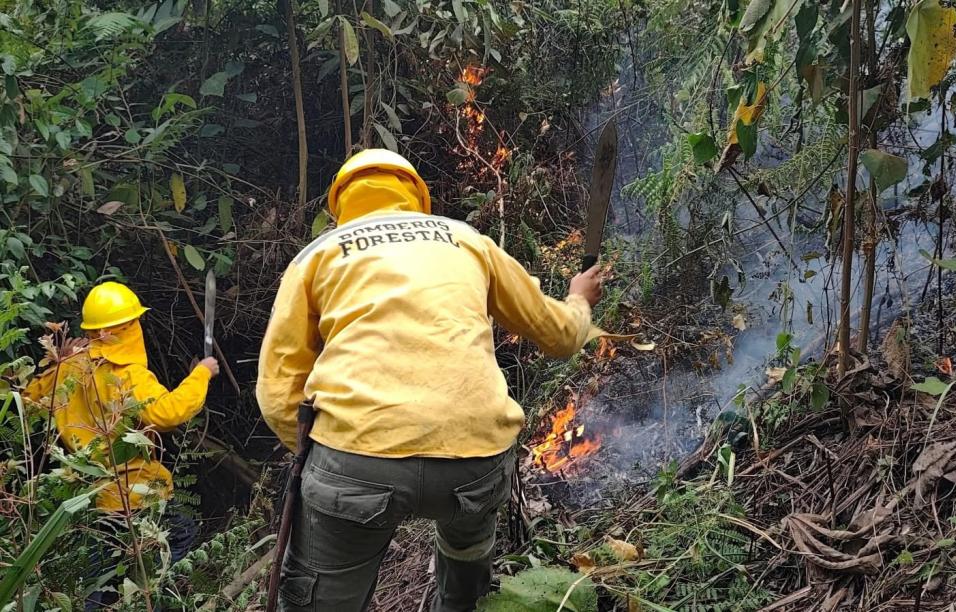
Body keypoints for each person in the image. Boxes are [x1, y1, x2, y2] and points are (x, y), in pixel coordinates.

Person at [257, 149, 604, 611]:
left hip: (356, 456)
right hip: (475, 456)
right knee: (465, 581)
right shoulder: (465, 239)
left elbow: (278, 387)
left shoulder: (317, 256)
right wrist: (579, 299)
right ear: (418, 196)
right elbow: (560, 336)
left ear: (338, 206)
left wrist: (319, 458)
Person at [25, 281, 219, 521]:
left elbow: (26, 403)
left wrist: (59, 362)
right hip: (136, 494)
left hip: (87, 496)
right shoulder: (127, 375)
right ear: (128, 328)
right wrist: (202, 373)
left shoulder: (69, 366)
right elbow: (168, 413)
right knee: (181, 531)